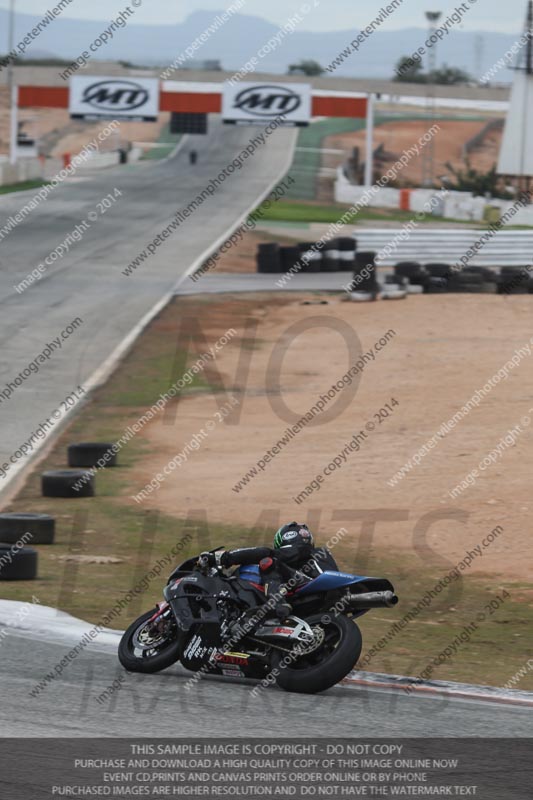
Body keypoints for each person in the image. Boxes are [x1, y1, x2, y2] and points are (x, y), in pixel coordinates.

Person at [219, 522, 339, 615]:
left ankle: (276, 602)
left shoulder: (299, 551)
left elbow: (266, 553)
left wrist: (226, 557)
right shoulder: (314, 555)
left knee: (269, 561)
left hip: (315, 584)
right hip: (322, 600)